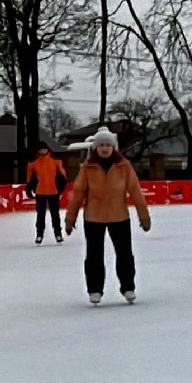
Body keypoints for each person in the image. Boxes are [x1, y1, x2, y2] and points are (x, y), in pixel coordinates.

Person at [64, 127, 152, 305]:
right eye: (101, 145)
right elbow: (78, 194)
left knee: (125, 254)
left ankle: (128, 287)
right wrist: (70, 219)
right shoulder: (87, 168)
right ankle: (95, 289)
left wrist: (144, 216)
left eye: (108, 145)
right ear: (95, 148)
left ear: (114, 148)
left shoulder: (124, 166)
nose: (105, 148)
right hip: (93, 218)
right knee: (94, 255)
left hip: (119, 217)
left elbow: (135, 191)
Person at [25, 143, 69, 245]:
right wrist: (29, 188)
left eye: (44, 149)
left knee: (55, 214)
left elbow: (62, 175)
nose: (43, 151)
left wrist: (61, 186)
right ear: (38, 151)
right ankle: (39, 234)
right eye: (41, 150)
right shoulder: (33, 163)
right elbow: (29, 177)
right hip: (40, 192)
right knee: (41, 215)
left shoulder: (56, 161)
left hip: (53, 191)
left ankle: (58, 234)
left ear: (47, 149)